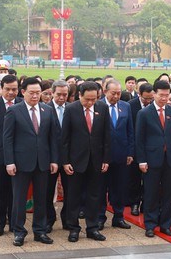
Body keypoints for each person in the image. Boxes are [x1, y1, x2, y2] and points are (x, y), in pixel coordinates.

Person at [3, 77, 60, 246]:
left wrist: (54, 160)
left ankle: (40, 231)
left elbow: (53, 138)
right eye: (32, 93)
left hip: (43, 162)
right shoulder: (14, 111)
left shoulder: (47, 110)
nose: (35, 96)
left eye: (38, 93)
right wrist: (9, 162)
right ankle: (19, 231)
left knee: (41, 199)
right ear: (23, 92)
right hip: (21, 163)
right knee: (19, 199)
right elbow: (7, 139)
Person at [61, 81, 111, 242]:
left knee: (94, 196)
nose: (90, 103)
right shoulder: (71, 109)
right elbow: (65, 138)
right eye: (87, 99)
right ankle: (73, 228)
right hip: (75, 161)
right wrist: (65, 161)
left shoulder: (102, 108)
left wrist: (105, 159)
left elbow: (107, 136)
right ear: (79, 96)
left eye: (94, 99)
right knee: (73, 196)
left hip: (96, 160)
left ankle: (92, 228)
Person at [135, 80, 171, 238]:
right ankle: (150, 224)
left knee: (169, 194)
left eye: (166, 95)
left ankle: (165, 224)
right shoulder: (144, 113)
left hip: (169, 160)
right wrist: (141, 160)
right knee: (151, 193)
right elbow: (139, 139)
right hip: (151, 159)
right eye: (161, 95)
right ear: (154, 94)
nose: (164, 98)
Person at [0, 75, 22, 237]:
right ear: (1, 88)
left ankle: (15, 224)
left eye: (14, 89)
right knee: (0, 191)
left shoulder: (23, 103)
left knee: (17, 193)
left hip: (20, 155)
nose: (10, 92)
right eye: (7, 89)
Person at [98, 80, 134, 230]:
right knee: (100, 188)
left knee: (119, 188)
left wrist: (130, 152)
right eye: (113, 93)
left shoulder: (126, 106)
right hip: (102, 156)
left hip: (121, 154)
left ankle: (118, 217)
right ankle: (100, 217)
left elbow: (130, 131)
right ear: (105, 91)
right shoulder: (98, 105)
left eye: (119, 93)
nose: (116, 96)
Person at [45, 80, 70, 233]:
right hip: (50, 158)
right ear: (52, 93)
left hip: (69, 159)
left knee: (70, 191)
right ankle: (49, 219)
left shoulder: (73, 109)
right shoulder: (45, 109)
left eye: (65, 94)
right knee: (48, 191)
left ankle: (67, 219)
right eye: (59, 94)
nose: (61, 97)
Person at [127, 82, 154, 216]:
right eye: (146, 98)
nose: (148, 101)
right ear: (139, 95)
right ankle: (135, 203)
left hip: (151, 148)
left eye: (151, 98)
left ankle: (146, 203)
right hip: (136, 147)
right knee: (134, 178)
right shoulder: (130, 106)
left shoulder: (155, 106)